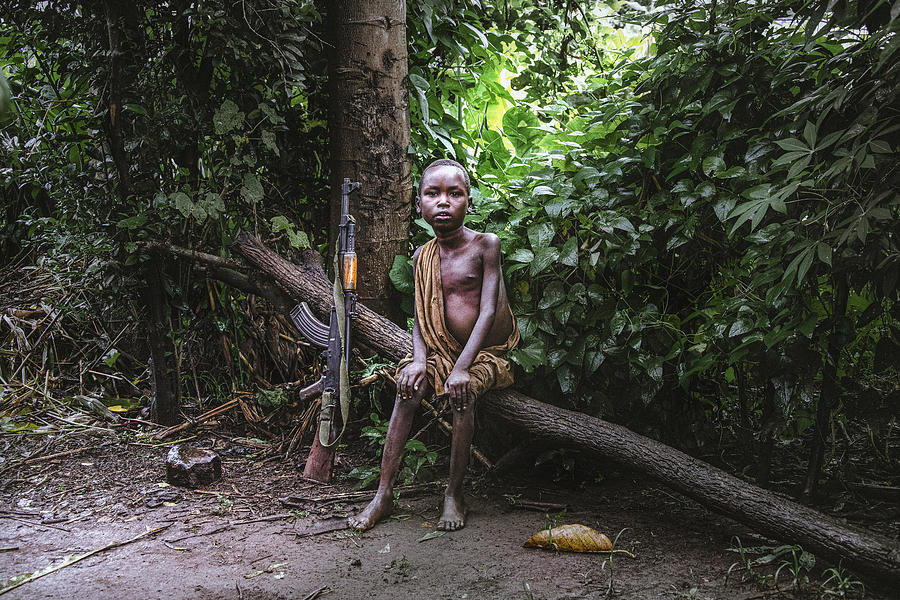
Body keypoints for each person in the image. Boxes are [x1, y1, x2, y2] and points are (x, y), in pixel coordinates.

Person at [348, 159, 520, 532]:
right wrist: (419, 361)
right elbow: (420, 317)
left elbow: (488, 311)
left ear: (469, 202)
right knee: (406, 388)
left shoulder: (485, 245)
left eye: (454, 194)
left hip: (484, 353)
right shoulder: (421, 256)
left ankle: (453, 494)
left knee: (462, 393)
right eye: (433, 194)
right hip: (441, 349)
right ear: (419, 206)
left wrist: (461, 368)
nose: (443, 202)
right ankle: (383, 494)